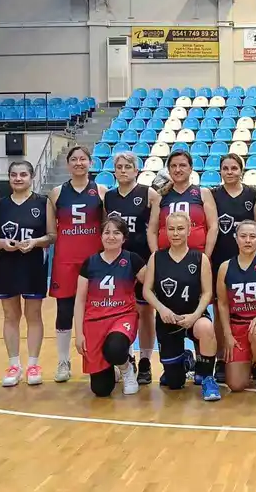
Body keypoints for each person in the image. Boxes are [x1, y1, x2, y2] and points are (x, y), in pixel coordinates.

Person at [0, 160, 55, 387]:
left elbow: (52, 236)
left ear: (31, 177)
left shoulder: (43, 202)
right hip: (7, 265)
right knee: (10, 315)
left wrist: (35, 242)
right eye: (14, 174)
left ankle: (33, 364)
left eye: (23, 174)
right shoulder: (0, 204)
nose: (18, 178)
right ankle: (14, 365)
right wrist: (3, 244)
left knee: (33, 315)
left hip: (33, 265)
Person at [142, 212, 221, 401]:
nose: (175, 233)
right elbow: (147, 291)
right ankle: (185, 359)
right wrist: (161, 309)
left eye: (180, 229)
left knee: (206, 327)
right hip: (167, 320)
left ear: (189, 230)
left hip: (194, 317)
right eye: (171, 229)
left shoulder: (200, 258)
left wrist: (195, 315)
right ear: (165, 231)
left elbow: (207, 293)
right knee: (174, 383)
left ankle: (207, 378)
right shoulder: (156, 258)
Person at [48, 146, 106, 383]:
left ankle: (101, 361)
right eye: (74, 159)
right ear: (68, 164)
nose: (79, 163)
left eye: (83, 159)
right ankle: (63, 361)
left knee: (97, 311)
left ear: (90, 163)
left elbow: (107, 227)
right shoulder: (56, 193)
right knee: (64, 311)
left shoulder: (101, 191)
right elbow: (51, 230)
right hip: (65, 260)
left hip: (94, 261)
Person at [104, 151, 161, 385]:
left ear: (136, 170)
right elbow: (107, 230)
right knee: (121, 310)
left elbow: (154, 229)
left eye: (128, 166)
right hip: (117, 262)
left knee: (145, 312)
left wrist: (155, 259)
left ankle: (146, 359)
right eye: (119, 167)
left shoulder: (149, 194)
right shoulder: (109, 197)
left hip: (142, 260)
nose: (123, 170)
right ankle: (126, 357)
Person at [74, 216, 143, 397]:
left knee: (115, 347)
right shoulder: (90, 263)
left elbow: (151, 284)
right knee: (101, 390)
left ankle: (127, 369)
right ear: (101, 236)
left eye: (117, 233)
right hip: (94, 322)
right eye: (107, 232)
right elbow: (80, 300)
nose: (111, 237)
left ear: (124, 238)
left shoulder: (132, 260)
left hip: (122, 316)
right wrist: (79, 334)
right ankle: (115, 366)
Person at [215, 220, 256, 398]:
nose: (248, 240)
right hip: (238, 326)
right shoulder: (225, 267)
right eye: (243, 236)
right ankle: (253, 360)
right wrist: (227, 335)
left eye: (252, 236)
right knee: (236, 384)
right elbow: (222, 304)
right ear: (236, 238)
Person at [210, 153, 256, 382]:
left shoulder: (253, 194)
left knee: (252, 307)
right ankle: (221, 357)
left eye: (234, 168)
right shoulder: (213, 194)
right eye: (225, 168)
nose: (229, 172)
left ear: (241, 170)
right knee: (220, 310)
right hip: (220, 259)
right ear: (220, 171)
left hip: (247, 260)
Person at [148, 149, 218, 255]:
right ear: (168, 170)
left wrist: (206, 256)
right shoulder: (160, 197)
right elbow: (152, 231)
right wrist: (156, 256)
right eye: (173, 166)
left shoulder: (203, 193)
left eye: (182, 165)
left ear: (191, 168)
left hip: (197, 256)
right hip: (166, 257)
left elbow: (213, 227)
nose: (177, 169)